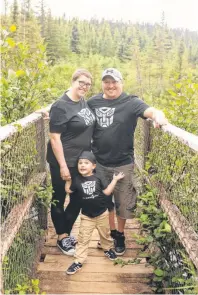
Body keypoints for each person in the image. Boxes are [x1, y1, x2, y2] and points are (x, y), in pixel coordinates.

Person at [87, 68, 168, 256]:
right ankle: (108, 235)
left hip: (123, 162)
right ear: (102, 84)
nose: (110, 85)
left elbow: (150, 111)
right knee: (103, 202)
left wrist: (159, 115)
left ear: (121, 83)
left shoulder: (131, 102)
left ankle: (120, 235)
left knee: (122, 203)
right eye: (106, 82)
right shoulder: (93, 102)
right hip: (99, 162)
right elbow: (73, 108)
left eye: (114, 81)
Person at [46, 69, 95, 256]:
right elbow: (54, 137)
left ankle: (64, 231)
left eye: (88, 84)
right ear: (73, 81)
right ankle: (62, 236)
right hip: (62, 160)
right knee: (59, 196)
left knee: (78, 197)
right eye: (81, 82)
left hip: (80, 161)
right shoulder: (60, 105)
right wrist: (63, 166)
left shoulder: (81, 101)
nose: (84, 86)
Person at [65, 151, 124, 275]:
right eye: (80, 163)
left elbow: (107, 192)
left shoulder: (98, 177)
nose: (82, 165)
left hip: (102, 214)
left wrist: (115, 180)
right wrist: (68, 180)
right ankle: (78, 261)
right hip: (87, 216)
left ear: (93, 166)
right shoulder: (77, 180)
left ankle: (107, 248)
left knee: (105, 234)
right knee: (83, 238)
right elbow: (69, 191)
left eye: (86, 163)